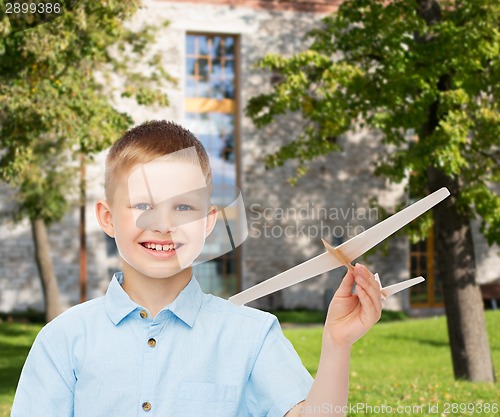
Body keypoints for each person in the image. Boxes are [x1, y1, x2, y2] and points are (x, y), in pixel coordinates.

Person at [11, 120, 382, 417]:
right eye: (143, 205)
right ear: (108, 218)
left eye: (184, 208)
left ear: (208, 222)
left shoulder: (252, 336)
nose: (163, 223)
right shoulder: (62, 341)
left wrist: (337, 345)